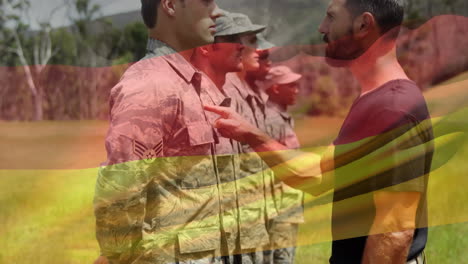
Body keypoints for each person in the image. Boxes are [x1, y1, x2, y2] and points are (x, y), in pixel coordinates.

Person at [204, 0, 434, 263]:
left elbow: (394, 232)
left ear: (363, 24)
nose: (321, 27)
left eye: (331, 17)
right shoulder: (375, 100)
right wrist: (251, 135)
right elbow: (315, 175)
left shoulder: (392, 108)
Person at [90, 0, 255, 263]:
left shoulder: (193, 82)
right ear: (170, 5)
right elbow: (122, 190)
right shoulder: (149, 86)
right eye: (205, 2)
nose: (217, 11)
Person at [191, 11, 272, 264]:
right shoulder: (197, 97)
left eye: (246, 40)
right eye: (238, 40)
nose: (246, 48)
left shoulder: (230, 94)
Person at [263, 66, 304, 264]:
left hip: (287, 201)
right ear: (276, 88)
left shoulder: (282, 117)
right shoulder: (270, 119)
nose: (296, 90)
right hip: (278, 205)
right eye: (291, 86)